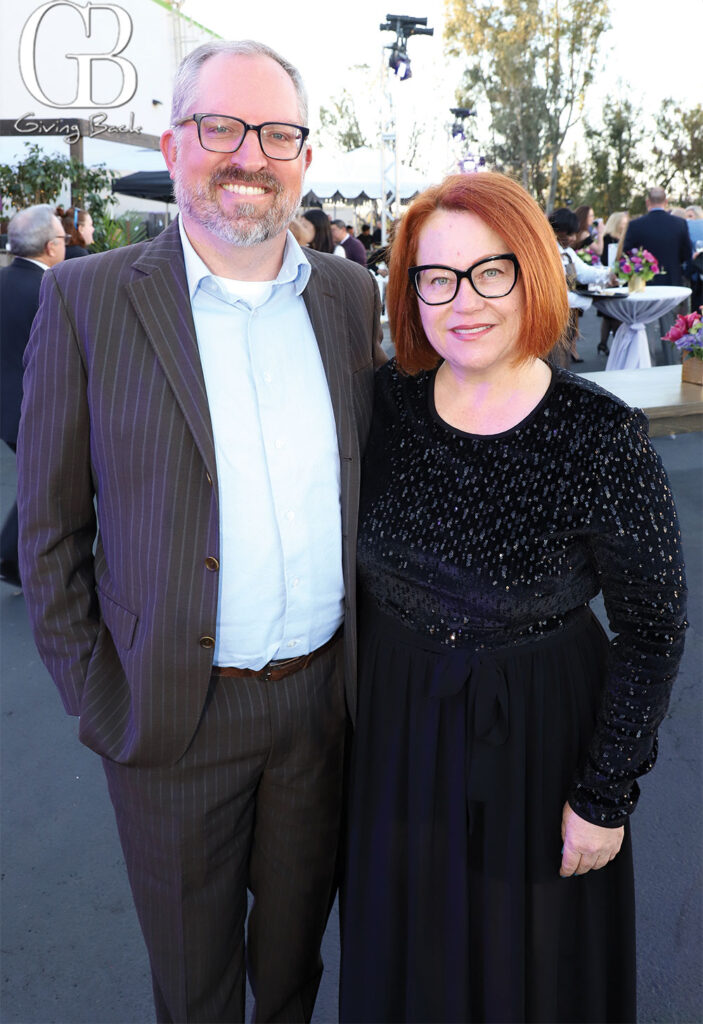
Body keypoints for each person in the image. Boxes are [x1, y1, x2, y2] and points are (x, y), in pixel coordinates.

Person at [18, 38, 383, 1024]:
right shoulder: (86, 298)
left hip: (321, 710)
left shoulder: (351, 300)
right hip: (171, 721)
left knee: (296, 967)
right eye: (219, 126)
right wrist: (98, 696)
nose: (247, 154)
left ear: (303, 157)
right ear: (175, 145)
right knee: (196, 988)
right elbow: (46, 530)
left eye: (275, 133)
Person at [340, 172, 687, 1024]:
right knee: (407, 954)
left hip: (540, 740)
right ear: (410, 291)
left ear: (530, 272)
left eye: (489, 272)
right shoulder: (383, 407)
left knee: (528, 968)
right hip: (395, 730)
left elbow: (651, 628)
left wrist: (604, 794)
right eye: (437, 277)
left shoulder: (597, 434)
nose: (464, 301)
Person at [0, 204, 66, 588]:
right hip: (36, 410)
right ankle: (11, 555)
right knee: (44, 486)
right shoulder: (52, 289)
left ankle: (14, 556)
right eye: (60, 236)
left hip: (9, 410)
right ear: (50, 246)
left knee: (39, 483)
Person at [622, 186, 692, 364]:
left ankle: (647, 364)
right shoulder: (680, 224)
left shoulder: (636, 225)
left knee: (646, 328)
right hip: (672, 282)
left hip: (643, 284)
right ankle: (672, 365)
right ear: (666, 202)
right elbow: (686, 254)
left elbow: (627, 254)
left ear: (647, 202)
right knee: (670, 328)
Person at [548, 207, 611, 363]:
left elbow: (584, 272)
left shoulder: (567, 252)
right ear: (557, 231)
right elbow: (556, 295)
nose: (573, 238)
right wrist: (592, 300)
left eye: (574, 233)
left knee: (563, 361)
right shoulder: (547, 254)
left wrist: (609, 274)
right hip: (550, 320)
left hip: (567, 317)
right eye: (569, 234)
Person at [598, 210, 630, 355]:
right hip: (611, 278)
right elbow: (605, 260)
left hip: (620, 278)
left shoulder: (624, 238)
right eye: (623, 223)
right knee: (611, 316)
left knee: (612, 316)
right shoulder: (608, 239)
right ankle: (610, 344)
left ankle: (604, 344)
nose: (625, 225)